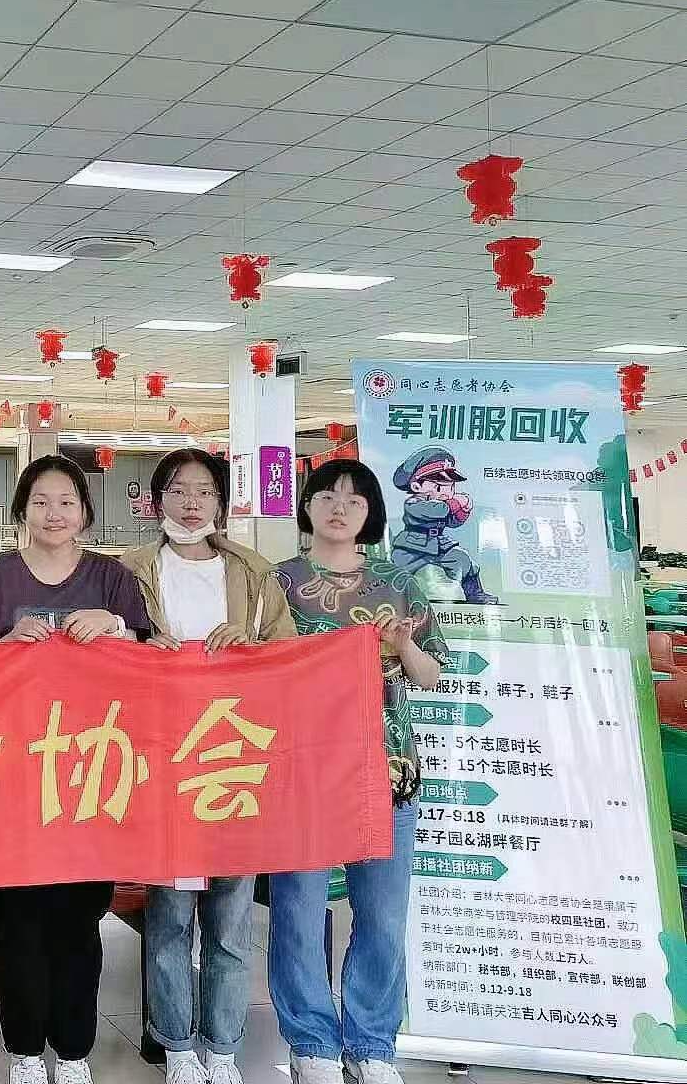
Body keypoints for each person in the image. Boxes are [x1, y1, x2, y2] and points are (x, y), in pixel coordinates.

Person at [0, 455, 152, 1084]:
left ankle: (72, 1052)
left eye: (67, 502)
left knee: (78, 920)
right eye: (41, 502)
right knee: (15, 919)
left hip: (87, 777)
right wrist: (0, 647)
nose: (54, 513)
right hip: (12, 777)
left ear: (85, 513)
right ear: (22, 510)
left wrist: (116, 626)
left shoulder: (111, 580)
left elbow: (153, 657)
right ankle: (23, 1051)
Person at [120, 448, 296, 1084]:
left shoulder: (252, 572)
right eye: (177, 489)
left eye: (203, 491)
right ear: (157, 501)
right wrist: (143, 646)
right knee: (168, 916)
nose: (191, 502)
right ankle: (176, 1045)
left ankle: (222, 1046)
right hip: (165, 763)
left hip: (233, 760)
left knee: (230, 918)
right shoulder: (131, 571)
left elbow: (287, 656)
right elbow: (109, 654)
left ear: (221, 502)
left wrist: (250, 647)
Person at [269, 459, 446, 1084]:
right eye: (326, 496)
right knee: (298, 911)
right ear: (307, 507)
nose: (339, 508)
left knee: (382, 916)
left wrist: (402, 645)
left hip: (386, 767)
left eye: (354, 499)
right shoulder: (277, 583)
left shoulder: (399, 583)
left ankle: (371, 1044)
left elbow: (431, 676)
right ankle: (311, 1042)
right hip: (303, 771)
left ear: (371, 513)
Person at [388, 446, 497, 604]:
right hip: (412, 547)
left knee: (463, 560)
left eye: (451, 487)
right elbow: (437, 510)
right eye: (439, 487)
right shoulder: (413, 503)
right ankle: (393, 599)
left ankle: (475, 594)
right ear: (416, 487)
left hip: (439, 545)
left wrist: (463, 510)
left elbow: (453, 522)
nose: (447, 492)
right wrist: (456, 503)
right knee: (398, 572)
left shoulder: (443, 503)